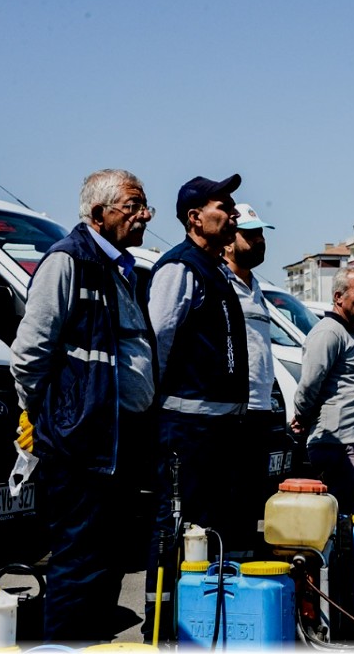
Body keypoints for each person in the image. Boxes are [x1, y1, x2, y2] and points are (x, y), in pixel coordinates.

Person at [10, 169, 156, 643]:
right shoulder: (68, 262)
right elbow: (29, 354)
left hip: (119, 440)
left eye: (143, 206)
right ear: (99, 214)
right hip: (82, 443)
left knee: (109, 561)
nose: (144, 215)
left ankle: (93, 645)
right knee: (78, 560)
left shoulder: (122, 269)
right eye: (132, 206)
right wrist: (51, 419)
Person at [144, 174, 246, 641]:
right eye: (222, 207)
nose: (234, 215)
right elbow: (158, 341)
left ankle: (202, 630)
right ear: (194, 218)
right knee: (175, 529)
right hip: (186, 427)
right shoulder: (179, 268)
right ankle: (162, 630)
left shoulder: (216, 271)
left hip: (220, 429)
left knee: (213, 532)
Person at [291, 267, 354, 515]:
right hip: (338, 442)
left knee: (350, 514)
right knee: (338, 516)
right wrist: (302, 416)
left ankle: (345, 554)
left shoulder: (351, 331)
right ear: (338, 296)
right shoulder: (329, 331)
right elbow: (310, 382)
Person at [222, 202, 279, 544]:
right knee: (228, 500)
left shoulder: (257, 286)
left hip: (260, 409)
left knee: (250, 503)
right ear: (229, 240)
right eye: (250, 235)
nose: (259, 242)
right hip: (233, 411)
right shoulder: (219, 280)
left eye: (261, 235)